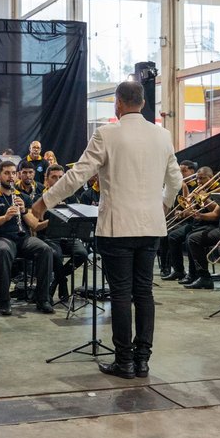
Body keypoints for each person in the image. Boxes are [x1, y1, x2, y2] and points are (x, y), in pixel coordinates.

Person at [32, 81, 182, 380]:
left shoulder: (107, 134)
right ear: (142, 102)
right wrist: (162, 206)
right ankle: (142, 361)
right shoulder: (163, 135)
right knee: (144, 293)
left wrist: (44, 202)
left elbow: (77, 176)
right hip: (151, 226)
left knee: (121, 294)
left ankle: (124, 361)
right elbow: (176, 182)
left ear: (118, 103)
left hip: (117, 228)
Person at [0, 160, 54, 315]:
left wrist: (24, 212)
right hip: (0, 238)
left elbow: (34, 225)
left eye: (13, 173)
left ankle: (43, 299)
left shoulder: (24, 198)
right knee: (4, 251)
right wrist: (5, 217)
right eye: (7, 173)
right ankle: (4, 300)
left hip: (23, 238)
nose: (11, 177)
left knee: (45, 249)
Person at [32, 164, 88, 302]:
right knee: (56, 255)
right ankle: (62, 283)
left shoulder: (71, 197)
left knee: (82, 254)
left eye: (61, 177)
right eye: (54, 177)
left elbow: (77, 220)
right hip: (48, 237)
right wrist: (54, 219)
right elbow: (35, 225)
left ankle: (57, 281)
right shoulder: (39, 198)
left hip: (69, 237)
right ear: (46, 179)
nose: (57, 181)